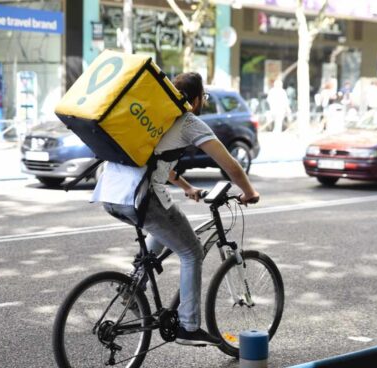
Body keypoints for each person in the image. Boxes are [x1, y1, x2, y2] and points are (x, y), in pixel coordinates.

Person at [91, 72, 260, 346]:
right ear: (194, 100)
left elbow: (160, 160)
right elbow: (229, 164)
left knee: (164, 228)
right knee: (192, 251)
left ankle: (131, 291)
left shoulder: (153, 115)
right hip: (141, 197)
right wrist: (249, 192)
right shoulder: (187, 121)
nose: (202, 102)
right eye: (203, 97)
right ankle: (189, 326)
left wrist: (186, 187)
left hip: (111, 193)